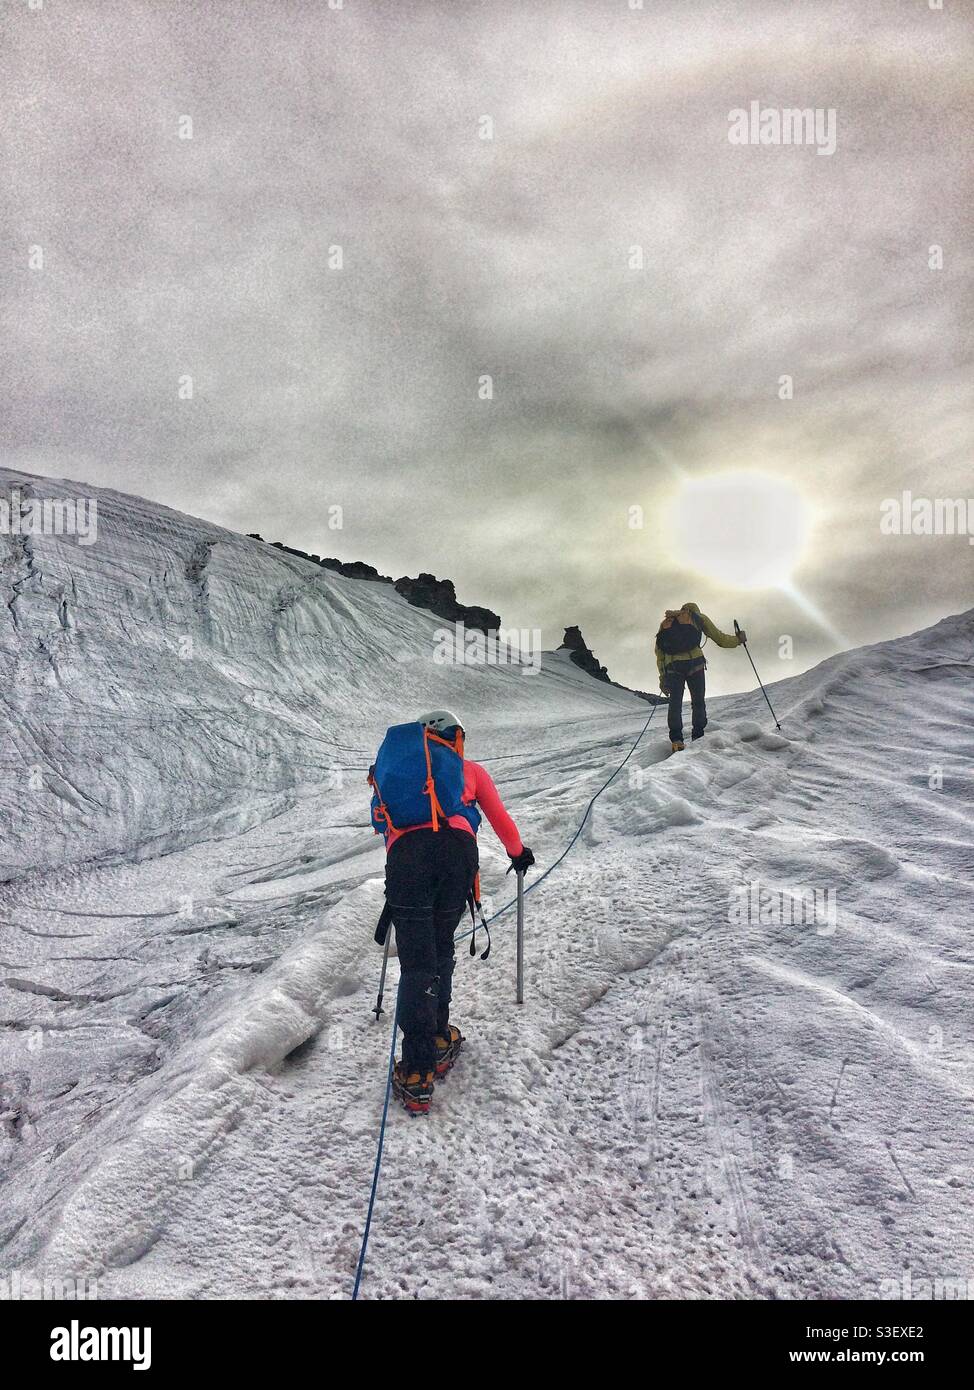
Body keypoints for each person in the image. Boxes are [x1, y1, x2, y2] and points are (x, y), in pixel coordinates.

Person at [370, 709, 534, 1114]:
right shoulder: (470, 771)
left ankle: (416, 1068)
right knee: (441, 946)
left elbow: (380, 819)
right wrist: (519, 853)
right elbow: (499, 818)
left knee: (416, 961)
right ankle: (439, 1038)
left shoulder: (401, 771)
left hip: (407, 857)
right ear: (455, 739)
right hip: (457, 856)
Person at [655, 603, 745, 752]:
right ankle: (698, 736)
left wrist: (663, 677)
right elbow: (720, 639)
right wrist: (738, 640)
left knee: (675, 703)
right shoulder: (698, 618)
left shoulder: (668, 621)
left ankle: (677, 740)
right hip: (695, 664)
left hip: (673, 667)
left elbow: (660, 652)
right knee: (698, 701)